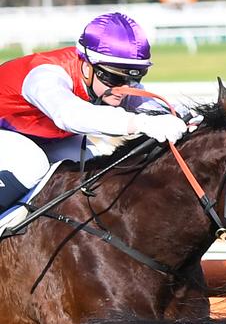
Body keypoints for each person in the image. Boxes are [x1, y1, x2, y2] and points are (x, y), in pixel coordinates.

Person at [0, 12, 187, 211]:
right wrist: (141, 123)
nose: (123, 88)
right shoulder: (45, 75)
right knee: (31, 165)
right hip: (9, 133)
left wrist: (188, 118)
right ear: (87, 66)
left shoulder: (106, 81)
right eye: (114, 78)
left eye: (133, 79)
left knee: (99, 166)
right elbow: (70, 115)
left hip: (40, 137)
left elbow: (157, 107)